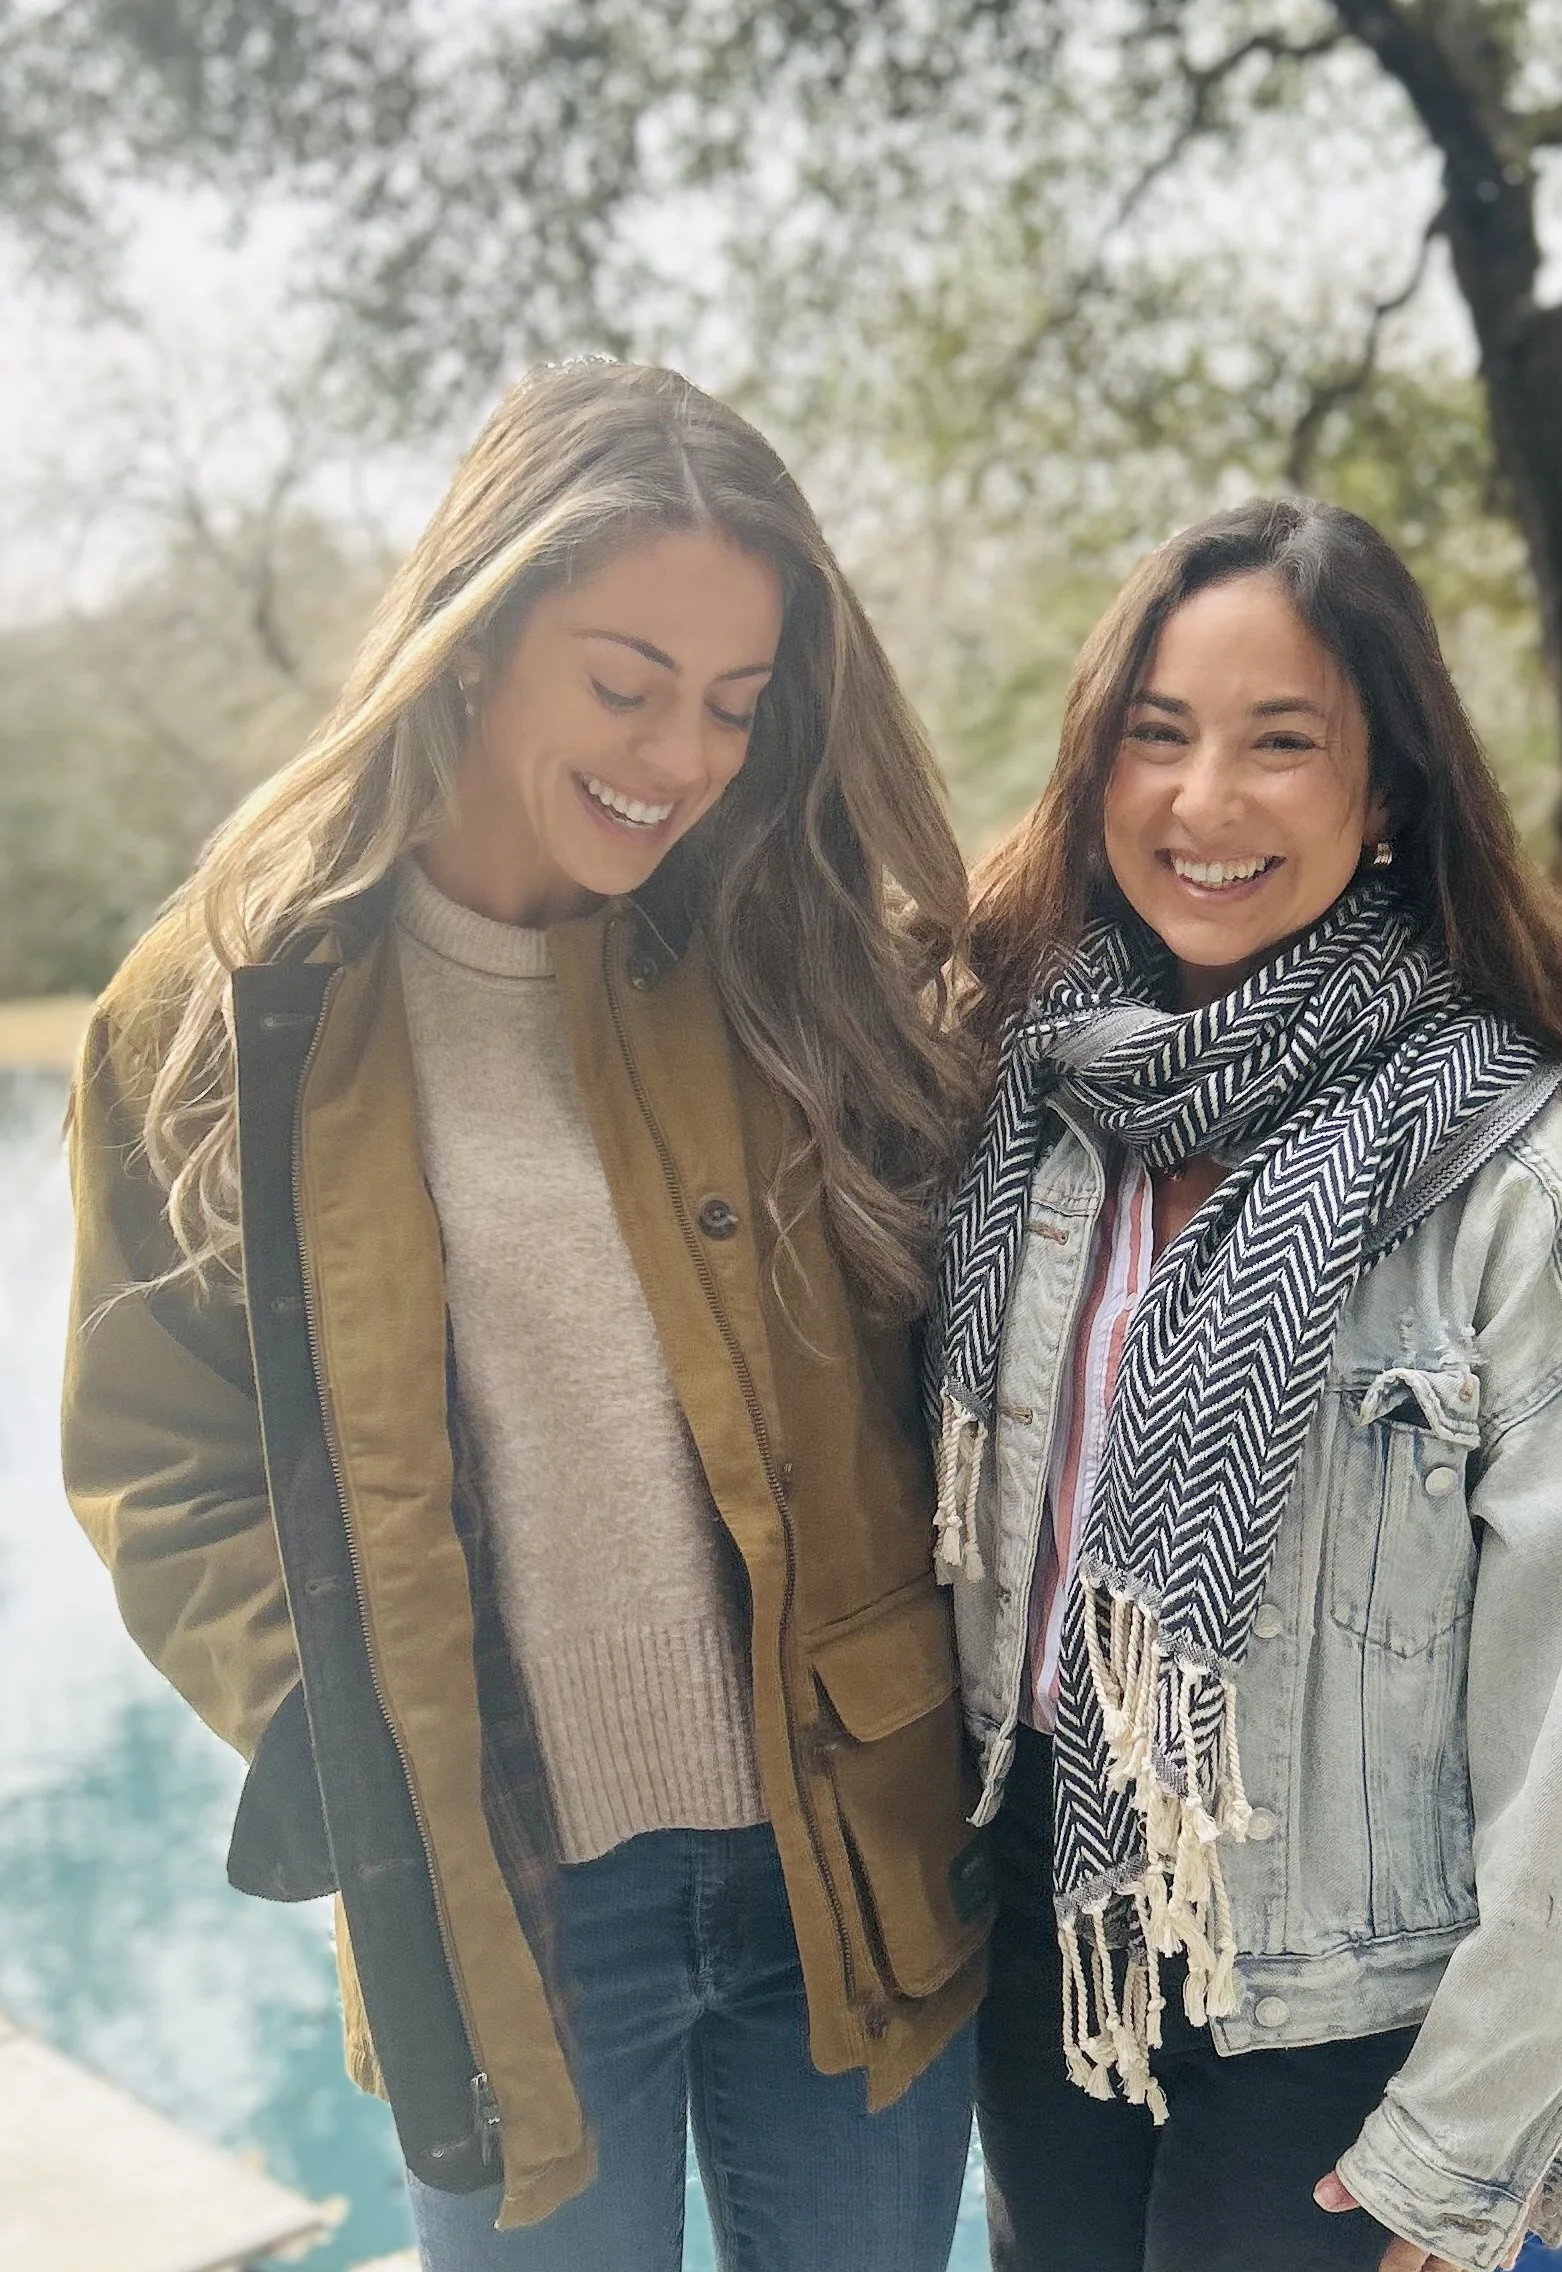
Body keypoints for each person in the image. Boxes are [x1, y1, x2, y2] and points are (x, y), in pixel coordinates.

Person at [62, 358, 990, 2272]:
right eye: (625, 681)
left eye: (737, 704)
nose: (684, 756)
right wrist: (337, 1715)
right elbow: (156, 1451)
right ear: (476, 640)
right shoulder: (223, 1008)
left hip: (851, 1852)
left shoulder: (790, 948)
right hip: (508, 1916)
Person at [931, 498, 1562, 2272]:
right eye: (1159, 734)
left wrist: (1462, 2150)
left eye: (1284, 745)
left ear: (1389, 801)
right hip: (1055, 1937)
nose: (1206, 802)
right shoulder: (1028, 1106)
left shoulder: (1519, 1200)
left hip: (1340, 2019)